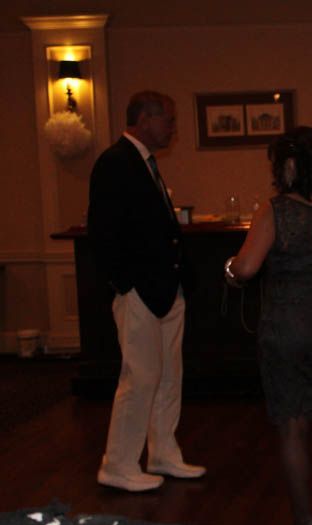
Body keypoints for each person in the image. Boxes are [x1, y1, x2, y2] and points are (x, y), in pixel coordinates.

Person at [225, 126, 312, 525]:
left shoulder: (275, 210)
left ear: (288, 164)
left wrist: (228, 269)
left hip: (288, 332)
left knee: (293, 428)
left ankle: (305, 523)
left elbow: (246, 268)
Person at [88, 90, 205, 492]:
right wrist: (125, 285)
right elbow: (102, 232)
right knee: (139, 378)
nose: (172, 129)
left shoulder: (143, 162)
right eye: (168, 120)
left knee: (170, 376)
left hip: (167, 288)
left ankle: (163, 454)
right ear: (144, 118)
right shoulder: (114, 162)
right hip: (139, 290)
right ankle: (117, 465)